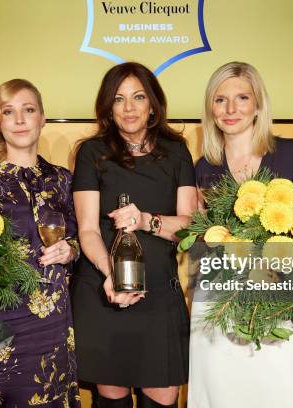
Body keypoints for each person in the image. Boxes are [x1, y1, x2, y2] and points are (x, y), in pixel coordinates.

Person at [189, 61, 293, 408]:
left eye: (241, 98)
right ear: (211, 107)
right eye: (220, 100)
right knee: (219, 397)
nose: (231, 109)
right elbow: (202, 239)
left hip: (284, 301)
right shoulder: (204, 167)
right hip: (221, 302)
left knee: (282, 395)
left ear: (258, 105)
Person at [0, 79, 80, 407]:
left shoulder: (64, 180)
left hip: (50, 327)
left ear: (42, 118)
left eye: (28, 110)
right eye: (9, 112)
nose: (20, 120)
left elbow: (82, 237)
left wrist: (71, 250)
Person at [71, 62, 197, 408]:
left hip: (159, 294)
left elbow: (190, 226)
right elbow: (87, 229)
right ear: (108, 108)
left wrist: (146, 221)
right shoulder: (92, 152)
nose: (129, 108)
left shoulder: (177, 151)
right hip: (104, 291)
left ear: (153, 104)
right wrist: (112, 275)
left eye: (138, 97)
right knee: (111, 398)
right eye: (119, 99)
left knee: (162, 397)